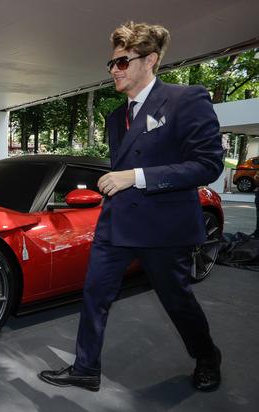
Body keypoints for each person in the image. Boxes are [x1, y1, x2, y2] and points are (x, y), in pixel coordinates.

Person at [39, 22, 224, 392]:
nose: (114, 70)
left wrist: (136, 176)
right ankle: (85, 368)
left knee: (176, 300)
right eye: (112, 63)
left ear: (150, 60)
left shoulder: (186, 99)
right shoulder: (114, 117)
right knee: (94, 295)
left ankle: (207, 356)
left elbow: (208, 165)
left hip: (163, 228)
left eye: (122, 62)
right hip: (116, 224)